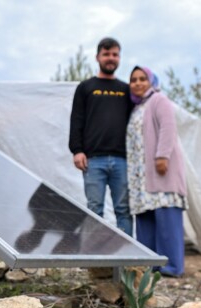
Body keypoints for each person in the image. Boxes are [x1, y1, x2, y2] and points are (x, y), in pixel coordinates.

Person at [68, 37, 133, 236]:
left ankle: (127, 253)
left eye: (115, 54)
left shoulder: (126, 90)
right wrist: (77, 150)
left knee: (124, 210)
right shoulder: (86, 87)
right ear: (98, 57)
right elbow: (76, 119)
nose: (110, 58)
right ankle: (93, 254)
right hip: (93, 160)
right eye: (106, 54)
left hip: (122, 160)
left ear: (119, 58)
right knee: (94, 209)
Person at [125, 66, 187, 277]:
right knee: (145, 218)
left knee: (166, 217)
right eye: (134, 80)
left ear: (151, 82)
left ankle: (171, 266)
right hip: (141, 176)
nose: (138, 83)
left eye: (142, 79)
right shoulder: (137, 107)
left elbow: (168, 127)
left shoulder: (158, 100)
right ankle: (149, 265)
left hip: (160, 170)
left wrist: (162, 156)